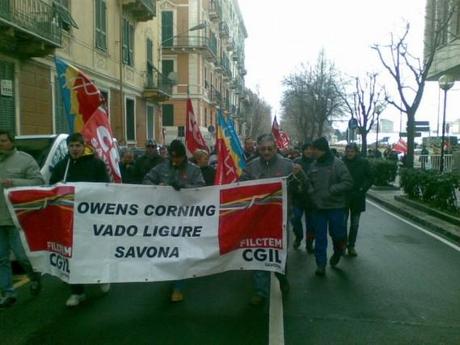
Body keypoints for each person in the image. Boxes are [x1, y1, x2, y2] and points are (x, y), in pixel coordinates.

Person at [240, 133, 304, 306]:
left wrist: (300, 176)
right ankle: (260, 291)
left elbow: (302, 189)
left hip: (280, 220)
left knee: (279, 254)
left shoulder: (288, 165)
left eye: (270, 148)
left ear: (276, 148)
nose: (266, 152)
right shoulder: (251, 167)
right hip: (257, 219)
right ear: (258, 149)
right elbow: (241, 186)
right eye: (263, 149)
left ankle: (282, 277)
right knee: (258, 253)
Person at [50, 132, 111, 307]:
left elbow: (105, 187)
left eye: (78, 145)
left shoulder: (96, 164)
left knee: (94, 249)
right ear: (68, 147)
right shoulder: (62, 166)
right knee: (73, 254)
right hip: (70, 218)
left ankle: (102, 276)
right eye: (71, 146)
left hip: (92, 217)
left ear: (83, 146)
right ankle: (77, 292)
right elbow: (52, 187)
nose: (75, 149)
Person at [143, 140, 205, 302]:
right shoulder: (162, 167)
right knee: (169, 249)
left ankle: (178, 286)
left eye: (178, 158)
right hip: (165, 217)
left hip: (185, 217)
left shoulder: (194, 170)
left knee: (182, 250)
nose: (175, 160)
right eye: (172, 157)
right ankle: (172, 276)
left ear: (184, 156)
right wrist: (158, 187)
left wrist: (183, 187)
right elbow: (147, 180)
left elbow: (201, 189)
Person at [0, 130, 44, 308]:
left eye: (3, 141)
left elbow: (39, 182)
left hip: (16, 219)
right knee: (1, 259)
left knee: (22, 256)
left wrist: (14, 182)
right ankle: (8, 293)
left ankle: (34, 277)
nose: (0, 144)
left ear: (11, 142)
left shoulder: (25, 160)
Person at [306, 137, 352, 276]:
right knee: (320, 237)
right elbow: (309, 182)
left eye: (314, 149)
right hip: (318, 208)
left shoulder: (337, 164)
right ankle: (320, 264)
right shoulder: (313, 165)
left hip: (336, 207)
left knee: (337, 234)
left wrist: (332, 190)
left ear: (321, 150)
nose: (312, 151)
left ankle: (338, 250)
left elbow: (348, 182)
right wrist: (310, 191)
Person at [342, 143, 373, 257]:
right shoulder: (341, 162)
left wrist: (362, 189)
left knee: (355, 224)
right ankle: (343, 245)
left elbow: (370, 177)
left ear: (356, 152)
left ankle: (351, 246)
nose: (349, 153)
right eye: (348, 151)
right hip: (344, 196)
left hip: (357, 197)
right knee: (342, 223)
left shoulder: (363, 162)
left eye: (352, 151)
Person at [291, 142, 315, 253]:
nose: (309, 151)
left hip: (311, 198)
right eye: (307, 149)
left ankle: (309, 243)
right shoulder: (296, 162)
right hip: (298, 197)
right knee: (295, 218)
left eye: (311, 149)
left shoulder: (317, 162)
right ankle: (299, 236)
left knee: (311, 223)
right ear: (303, 150)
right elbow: (290, 177)